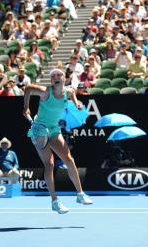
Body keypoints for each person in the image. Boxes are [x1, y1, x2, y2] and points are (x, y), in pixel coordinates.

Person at [23, 68, 93, 214]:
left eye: (58, 75)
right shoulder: (45, 92)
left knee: (69, 159)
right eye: (53, 75)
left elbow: (73, 93)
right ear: (51, 81)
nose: (56, 76)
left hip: (54, 129)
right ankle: (55, 201)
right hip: (39, 129)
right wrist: (26, 107)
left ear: (63, 78)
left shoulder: (68, 91)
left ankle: (80, 195)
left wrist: (76, 103)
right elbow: (28, 88)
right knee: (49, 164)